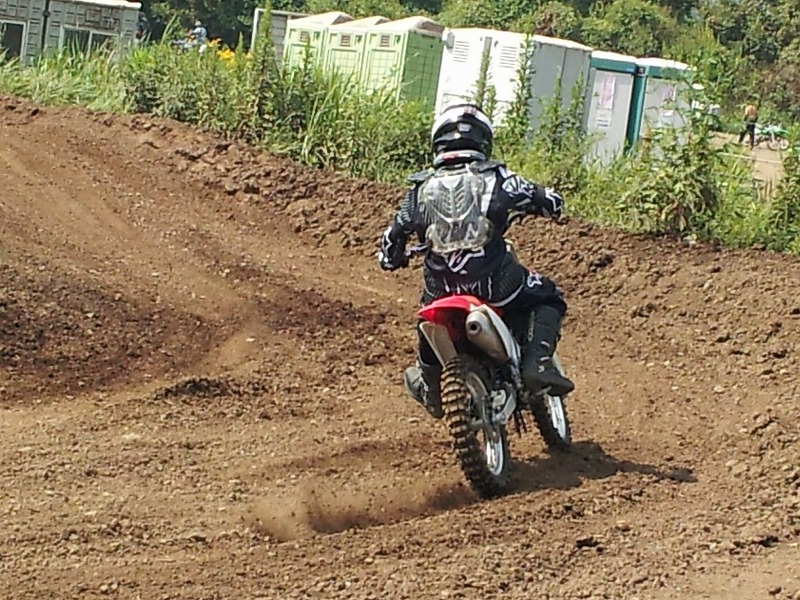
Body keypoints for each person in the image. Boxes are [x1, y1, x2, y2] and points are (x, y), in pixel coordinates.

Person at [377, 103, 574, 419]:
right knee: (548, 295)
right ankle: (537, 363)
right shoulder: (499, 178)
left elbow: (390, 241)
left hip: (441, 292)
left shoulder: (417, 191)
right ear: (483, 140)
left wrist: (393, 258)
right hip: (496, 286)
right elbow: (550, 200)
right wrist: (547, 206)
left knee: (426, 320)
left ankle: (431, 388)